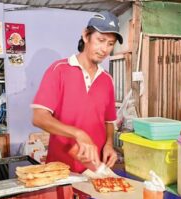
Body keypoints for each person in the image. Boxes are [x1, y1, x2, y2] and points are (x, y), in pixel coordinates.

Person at [31, 11, 123, 173]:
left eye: (110, 43)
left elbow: (109, 121)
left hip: (96, 169)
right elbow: (39, 118)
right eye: (100, 40)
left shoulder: (107, 79)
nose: (105, 49)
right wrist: (78, 134)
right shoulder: (59, 70)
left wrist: (109, 144)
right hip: (62, 168)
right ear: (86, 36)